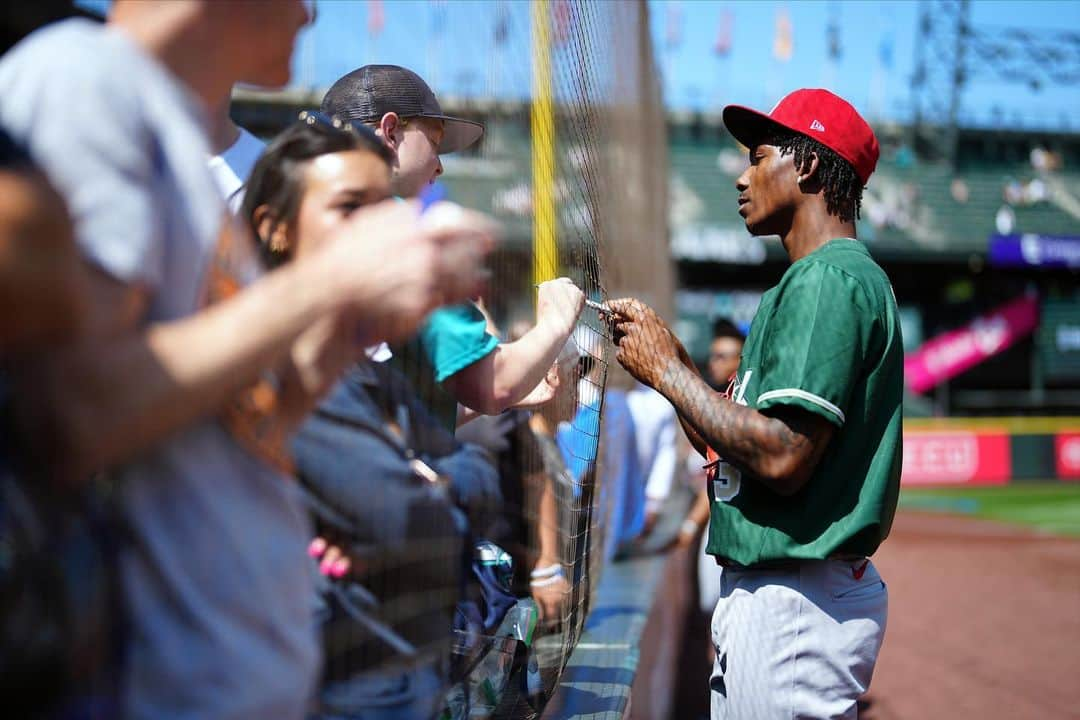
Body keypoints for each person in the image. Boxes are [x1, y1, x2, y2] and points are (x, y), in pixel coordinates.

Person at [0, 2, 496, 716]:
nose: (311, 12)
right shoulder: (86, 83)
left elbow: (233, 415)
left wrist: (350, 321)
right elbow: (79, 409)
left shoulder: (168, 125)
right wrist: (329, 279)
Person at [610, 88, 903, 719]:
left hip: (795, 599)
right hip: (784, 597)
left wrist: (667, 371)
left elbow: (782, 455)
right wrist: (674, 367)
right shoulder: (805, 283)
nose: (741, 178)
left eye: (758, 157)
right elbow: (736, 442)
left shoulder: (829, 278)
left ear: (807, 166)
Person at [321, 64, 585, 431]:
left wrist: (504, 386)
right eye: (434, 141)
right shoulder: (402, 228)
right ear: (390, 131)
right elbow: (494, 384)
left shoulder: (316, 214)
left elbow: (392, 401)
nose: (439, 165)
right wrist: (557, 320)